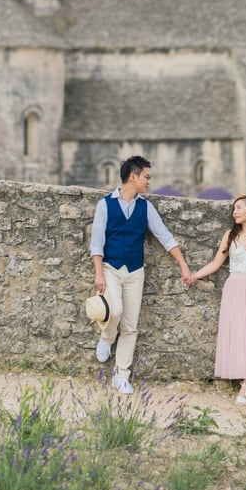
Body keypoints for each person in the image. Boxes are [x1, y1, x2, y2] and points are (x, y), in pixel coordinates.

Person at [90, 155, 192, 394]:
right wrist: (99, 274)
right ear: (133, 177)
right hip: (111, 268)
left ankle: (120, 375)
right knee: (114, 311)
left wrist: (183, 265)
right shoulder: (105, 204)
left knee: (131, 325)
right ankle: (106, 337)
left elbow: (164, 236)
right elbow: (97, 243)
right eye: (146, 177)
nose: (149, 181)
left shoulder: (146, 207)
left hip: (136, 271)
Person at [187, 194, 246, 407]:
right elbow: (216, 263)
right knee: (239, 333)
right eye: (234, 209)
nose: (235, 212)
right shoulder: (230, 235)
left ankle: (245, 385)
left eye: (239, 208)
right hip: (235, 288)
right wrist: (194, 275)